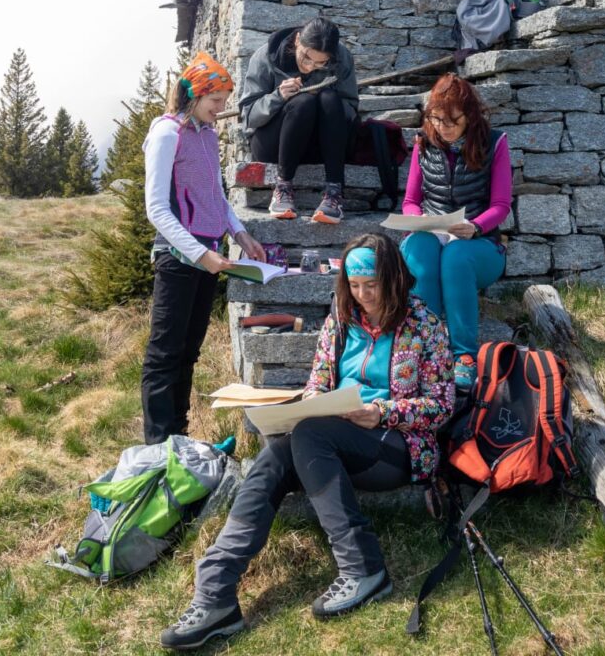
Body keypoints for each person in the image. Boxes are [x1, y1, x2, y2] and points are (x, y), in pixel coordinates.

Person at [159, 232, 454, 651]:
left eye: (372, 285)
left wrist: (382, 412)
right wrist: (313, 401)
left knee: (309, 434)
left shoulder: (425, 325)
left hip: (397, 446)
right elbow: (318, 381)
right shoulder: (342, 318)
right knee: (275, 456)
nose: (364, 295)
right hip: (335, 439)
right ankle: (215, 596)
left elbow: (442, 405)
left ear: (394, 279)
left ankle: (363, 567)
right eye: (355, 285)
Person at [141, 51, 266, 445]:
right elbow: (157, 208)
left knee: (189, 352)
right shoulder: (166, 133)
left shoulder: (207, 135)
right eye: (216, 101)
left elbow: (216, 194)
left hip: (209, 255)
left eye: (225, 102)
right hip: (179, 258)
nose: (221, 109)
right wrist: (199, 254)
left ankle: (178, 437)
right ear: (195, 94)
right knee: (165, 355)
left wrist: (240, 233)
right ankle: (158, 448)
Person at [400, 74, 512, 392]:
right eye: (436, 119)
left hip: (480, 246)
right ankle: (426, 349)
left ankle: (464, 356)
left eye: (453, 120)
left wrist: (476, 227)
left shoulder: (496, 143)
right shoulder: (423, 143)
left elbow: (501, 205)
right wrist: (418, 220)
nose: (444, 128)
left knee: (455, 255)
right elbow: (410, 201)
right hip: (434, 235)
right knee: (420, 246)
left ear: (469, 116)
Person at [238, 17, 358, 224]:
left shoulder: (343, 57)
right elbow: (248, 117)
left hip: (323, 144)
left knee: (329, 98)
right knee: (302, 102)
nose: (310, 67)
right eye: (306, 57)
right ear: (297, 40)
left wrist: (323, 103)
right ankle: (283, 187)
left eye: (321, 62)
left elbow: (351, 109)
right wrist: (278, 97)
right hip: (274, 145)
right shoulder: (266, 57)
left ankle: (333, 193)